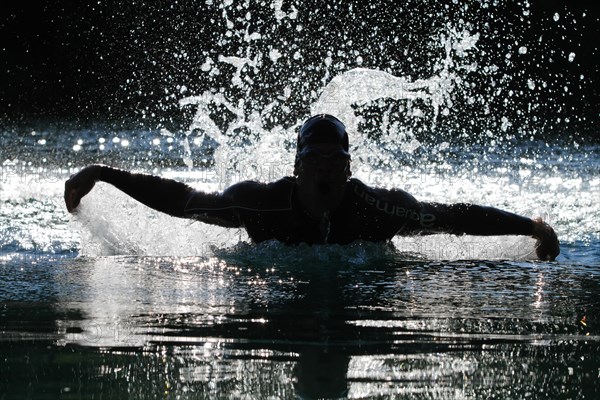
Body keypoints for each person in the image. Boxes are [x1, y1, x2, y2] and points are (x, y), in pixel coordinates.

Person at [64, 114, 560, 260]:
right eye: (314, 160)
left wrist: (532, 227)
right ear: (297, 167)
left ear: (348, 169)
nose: (324, 169)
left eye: (334, 161)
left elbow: (454, 217)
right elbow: (185, 203)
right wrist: (104, 173)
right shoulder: (260, 205)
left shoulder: (378, 209)